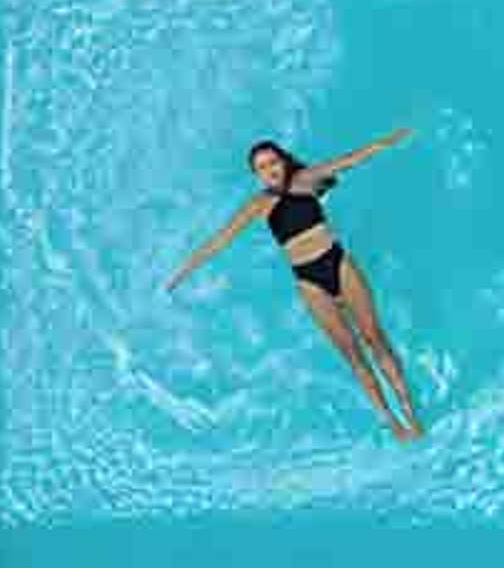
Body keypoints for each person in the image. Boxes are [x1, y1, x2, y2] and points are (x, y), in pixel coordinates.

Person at [164, 128, 425, 440]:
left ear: (283, 162)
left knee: (375, 339)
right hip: (309, 281)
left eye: (272, 161)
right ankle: (392, 422)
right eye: (260, 167)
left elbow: (352, 159)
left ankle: (410, 413)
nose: (269, 170)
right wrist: (184, 271)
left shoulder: (307, 179)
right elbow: (220, 241)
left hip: (338, 263)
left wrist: (388, 140)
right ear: (256, 175)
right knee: (352, 354)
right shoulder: (259, 205)